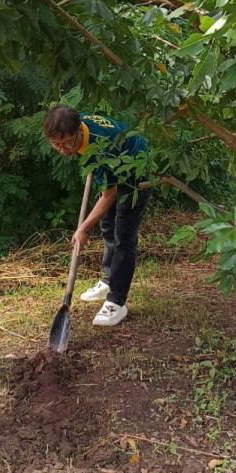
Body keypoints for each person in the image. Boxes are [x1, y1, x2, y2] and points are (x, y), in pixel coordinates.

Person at [44, 104, 150, 327]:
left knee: (123, 234)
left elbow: (109, 194)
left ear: (79, 132)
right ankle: (109, 280)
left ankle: (117, 301)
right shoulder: (75, 123)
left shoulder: (99, 147)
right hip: (115, 167)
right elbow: (107, 190)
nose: (63, 150)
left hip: (137, 167)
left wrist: (82, 228)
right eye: (57, 145)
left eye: (67, 143)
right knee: (108, 225)